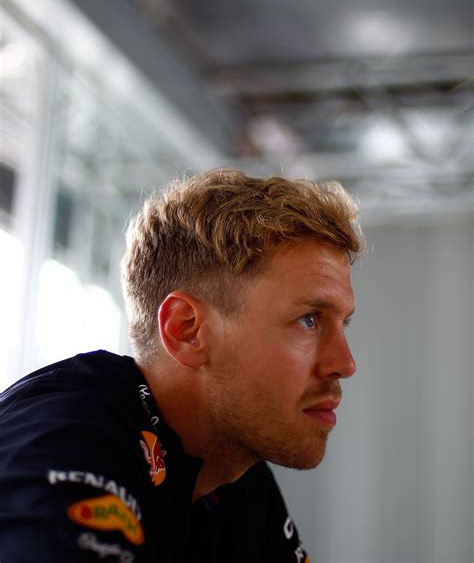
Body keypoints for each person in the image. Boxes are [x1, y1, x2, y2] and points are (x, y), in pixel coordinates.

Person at [0, 169, 364, 562]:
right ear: (186, 330)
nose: (344, 364)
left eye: (342, 324)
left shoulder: (236, 470)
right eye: (309, 320)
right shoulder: (69, 439)